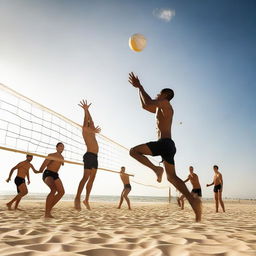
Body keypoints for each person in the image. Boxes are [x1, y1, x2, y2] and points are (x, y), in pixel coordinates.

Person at [128, 72, 201, 221]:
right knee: (172, 177)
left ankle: (156, 169)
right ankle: (193, 202)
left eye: (159, 93)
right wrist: (138, 89)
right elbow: (144, 105)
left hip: (164, 143)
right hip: (168, 146)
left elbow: (148, 102)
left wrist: (140, 86)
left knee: (133, 151)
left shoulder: (166, 104)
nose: (157, 94)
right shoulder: (160, 108)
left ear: (165, 95)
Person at [74, 100, 101, 211]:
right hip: (89, 155)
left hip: (95, 157)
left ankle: (86, 200)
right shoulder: (85, 129)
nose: (93, 124)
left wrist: (88, 110)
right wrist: (85, 110)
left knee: (92, 179)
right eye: (91, 123)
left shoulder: (92, 130)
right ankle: (77, 198)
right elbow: (86, 121)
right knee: (85, 178)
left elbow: (91, 120)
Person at [39, 142, 65, 218]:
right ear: (56, 147)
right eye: (60, 146)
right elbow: (43, 167)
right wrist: (39, 171)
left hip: (55, 175)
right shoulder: (51, 155)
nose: (62, 148)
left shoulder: (62, 157)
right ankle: (47, 213)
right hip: (48, 173)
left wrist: (62, 162)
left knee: (61, 192)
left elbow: (61, 163)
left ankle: (48, 209)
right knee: (53, 190)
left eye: (63, 147)